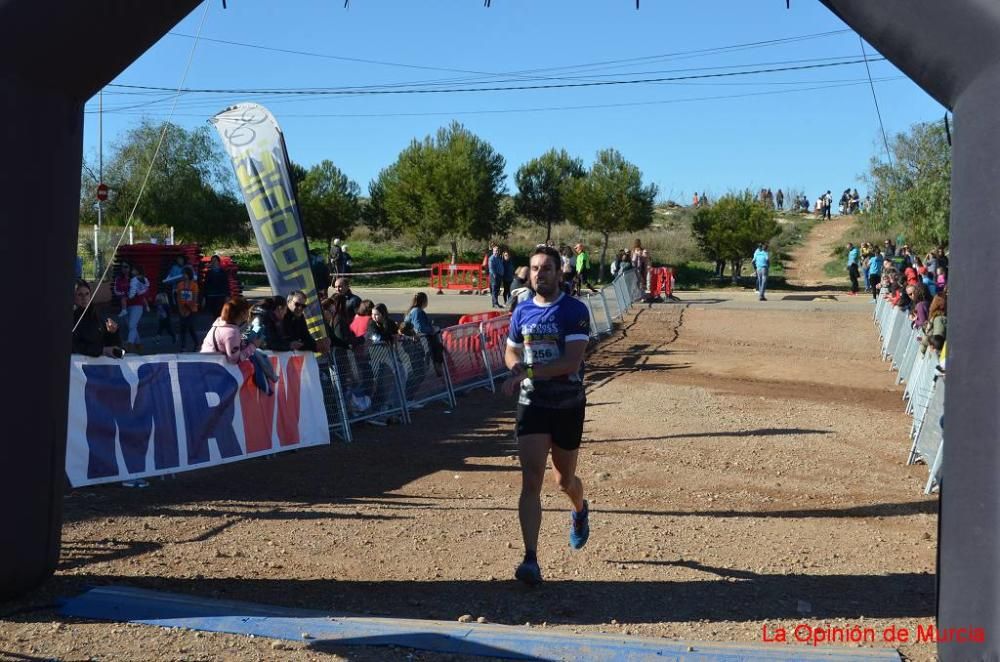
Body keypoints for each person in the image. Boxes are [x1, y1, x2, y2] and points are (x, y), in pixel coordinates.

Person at [503, 245, 591, 587]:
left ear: (559, 272)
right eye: (535, 268)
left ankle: (580, 510)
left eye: (547, 268)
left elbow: (570, 362)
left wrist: (524, 371)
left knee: (564, 481)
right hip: (532, 403)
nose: (540, 273)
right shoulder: (522, 311)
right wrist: (514, 369)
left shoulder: (574, 310)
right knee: (531, 482)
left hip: (568, 403)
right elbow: (510, 347)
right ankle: (530, 559)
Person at [72, 279, 124, 358]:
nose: (84, 298)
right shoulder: (70, 318)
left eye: (87, 294)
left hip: (99, 365)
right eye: (80, 294)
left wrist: (113, 332)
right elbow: (75, 346)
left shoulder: (96, 315)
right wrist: (101, 350)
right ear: (73, 297)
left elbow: (111, 344)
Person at [200, 296, 259, 364]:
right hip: (216, 368)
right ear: (242, 313)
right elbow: (235, 360)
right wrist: (253, 346)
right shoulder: (231, 332)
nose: (250, 314)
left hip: (207, 365)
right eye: (249, 311)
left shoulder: (220, 325)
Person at [404, 291, 444, 375]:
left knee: (419, 370)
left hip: (414, 340)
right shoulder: (417, 311)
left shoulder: (413, 310)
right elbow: (419, 328)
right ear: (424, 301)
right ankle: (436, 364)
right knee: (419, 371)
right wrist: (432, 329)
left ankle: (434, 363)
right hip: (416, 341)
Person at [124, 264, 150, 352]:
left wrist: (129, 296)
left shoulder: (134, 280)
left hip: (135, 305)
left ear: (138, 271)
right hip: (132, 305)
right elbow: (145, 293)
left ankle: (129, 344)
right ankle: (138, 345)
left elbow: (132, 293)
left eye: (134, 270)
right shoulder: (145, 281)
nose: (132, 271)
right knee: (132, 326)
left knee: (131, 325)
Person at [175, 266, 200, 351]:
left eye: (185, 274)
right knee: (182, 328)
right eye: (183, 274)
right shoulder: (179, 285)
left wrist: (189, 309)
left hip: (191, 309)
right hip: (182, 308)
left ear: (189, 274)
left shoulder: (194, 285)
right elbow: (178, 298)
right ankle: (183, 346)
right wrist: (180, 309)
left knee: (190, 327)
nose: (184, 275)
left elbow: (195, 298)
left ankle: (196, 344)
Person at [202, 255, 230, 320]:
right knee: (213, 314)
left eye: (215, 260)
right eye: (212, 261)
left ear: (218, 262)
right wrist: (204, 297)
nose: (214, 262)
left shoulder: (223, 272)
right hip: (211, 296)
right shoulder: (209, 273)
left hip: (220, 295)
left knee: (220, 313)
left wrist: (227, 295)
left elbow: (226, 284)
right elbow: (206, 285)